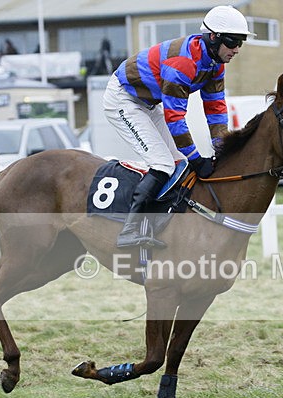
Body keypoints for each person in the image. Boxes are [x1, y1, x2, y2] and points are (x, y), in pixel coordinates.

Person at [103, 5, 254, 248]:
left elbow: (215, 110)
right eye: (232, 42)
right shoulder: (183, 63)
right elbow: (176, 118)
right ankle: (129, 230)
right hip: (123, 99)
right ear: (213, 38)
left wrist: (221, 148)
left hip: (148, 104)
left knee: (178, 164)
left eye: (241, 43)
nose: (236, 49)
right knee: (162, 163)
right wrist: (196, 158)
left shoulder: (216, 64)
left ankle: (158, 221)